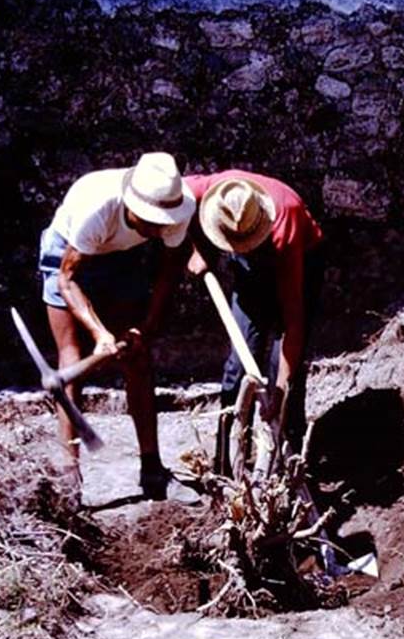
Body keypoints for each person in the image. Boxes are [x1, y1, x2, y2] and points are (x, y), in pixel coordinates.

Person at [37, 151, 196, 502]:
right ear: (130, 203)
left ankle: (152, 469)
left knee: (139, 359)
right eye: (151, 220)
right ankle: (69, 477)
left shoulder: (177, 209)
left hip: (121, 259)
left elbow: (169, 272)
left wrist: (148, 327)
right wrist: (100, 333)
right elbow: (67, 279)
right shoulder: (97, 206)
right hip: (68, 252)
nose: (159, 229)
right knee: (72, 359)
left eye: (163, 221)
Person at [183, 169, 324, 475]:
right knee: (237, 366)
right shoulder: (206, 192)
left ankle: (286, 459)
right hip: (249, 270)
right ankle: (226, 463)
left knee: (281, 369)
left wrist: (280, 393)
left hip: (300, 259)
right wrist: (199, 249)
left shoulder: (284, 229)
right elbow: (172, 208)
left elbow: (293, 324)